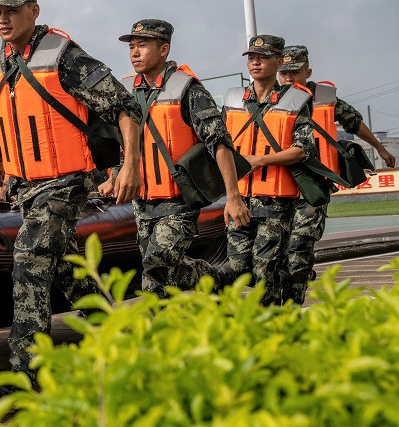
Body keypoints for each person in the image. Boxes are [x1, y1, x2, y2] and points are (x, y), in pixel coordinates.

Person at [0, 0, 142, 398]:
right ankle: (119, 337)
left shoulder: (64, 58)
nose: (3, 18)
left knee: (29, 261)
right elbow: (2, 116)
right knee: (69, 269)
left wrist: (130, 166)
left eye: (12, 9)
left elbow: (125, 106)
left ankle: (27, 374)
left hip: (64, 182)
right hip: (25, 185)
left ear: (34, 10)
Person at [118, 20, 250, 296]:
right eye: (132, 47)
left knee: (154, 269)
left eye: (142, 45)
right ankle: (214, 282)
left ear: (164, 49)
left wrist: (233, 197)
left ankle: (156, 335)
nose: (134, 53)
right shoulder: (130, 93)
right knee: (165, 269)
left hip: (179, 202)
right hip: (143, 203)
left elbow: (220, 143)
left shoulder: (188, 89)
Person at [277, 45, 396, 303]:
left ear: (307, 71)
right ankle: (297, 273)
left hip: (313, 184)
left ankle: (293, 301)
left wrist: (380, 148)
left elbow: (354, 123)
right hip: (275, 184)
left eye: (294, 73)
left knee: (300, 244)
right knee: (275, 250)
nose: (288, 79)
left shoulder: (324, 97)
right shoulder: (268, 99)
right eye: (283, 73)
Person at [221, 36, 316, 305]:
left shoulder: (297, 100)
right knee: (239, 269)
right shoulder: (232, 98)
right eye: (251, 57)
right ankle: (287, 276)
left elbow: (303, 149)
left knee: (264, 271)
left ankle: (272, 320)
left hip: (275, 203)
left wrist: (261, 161)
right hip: (239, 199)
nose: (255, 62)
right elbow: (218, 145)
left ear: (278, 61)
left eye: (262, 57)